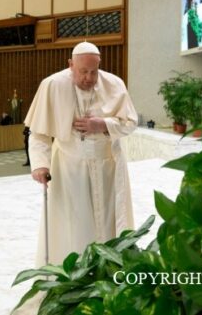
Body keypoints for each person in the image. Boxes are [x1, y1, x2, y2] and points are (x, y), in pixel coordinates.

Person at [25, 41, 138, 266]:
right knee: (74, 223)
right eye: (82, 71)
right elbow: (38, 133)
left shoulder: (115, 84)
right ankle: (75, 271)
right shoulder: (52, 85)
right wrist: (40, 164)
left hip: (108, 166)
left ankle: (109, 268)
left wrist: (103, 124)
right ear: (70, 65)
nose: (88, 77)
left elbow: (130, 123)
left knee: (108, 220)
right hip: (69, 167)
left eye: (93, 72)